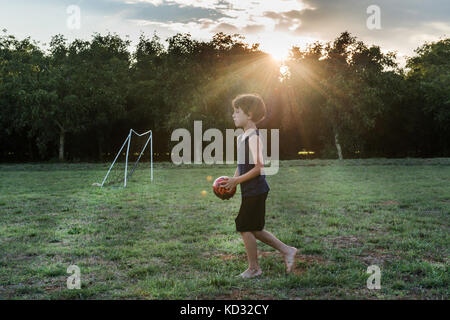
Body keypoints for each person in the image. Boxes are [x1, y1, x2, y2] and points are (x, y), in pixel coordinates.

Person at [220, 93, 298, 279]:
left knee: (243, 226)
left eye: (237, 111)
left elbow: (259, 168)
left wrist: (237, 181)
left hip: (256, 190)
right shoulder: (243, 137)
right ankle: (287, 250)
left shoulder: (253, 137)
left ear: (250, 114)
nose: (233, 115)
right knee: (254, 228)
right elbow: (242, 165)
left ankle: (254, 268)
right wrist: (232, 181)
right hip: (251, 190)